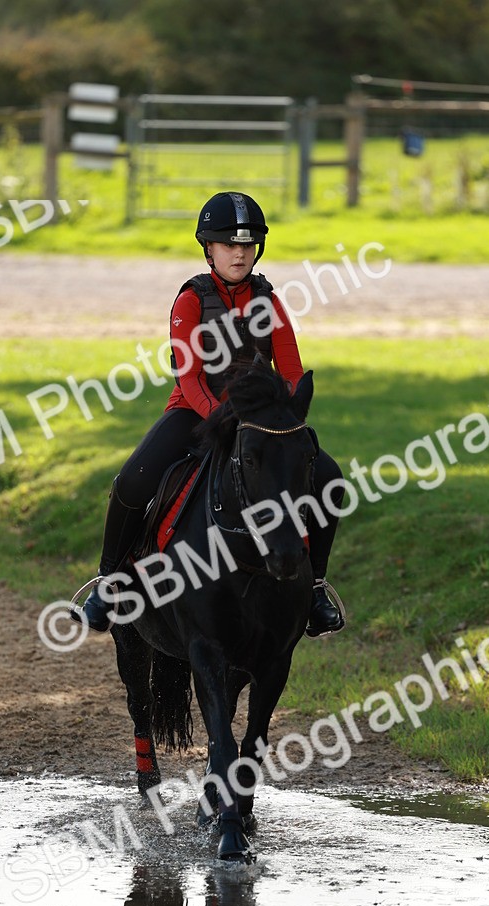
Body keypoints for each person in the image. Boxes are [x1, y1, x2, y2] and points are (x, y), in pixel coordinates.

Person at [72, 191, 345, 637]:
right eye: (228, 245)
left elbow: (292, 371)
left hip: (260, 424)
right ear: (209, 249)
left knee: (328, 478)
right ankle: (109, 581)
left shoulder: (270, 303)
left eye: (248, 245)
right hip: (194, 413)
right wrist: (225, 420)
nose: (240, 253)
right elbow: (190, 378)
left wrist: (290, 416)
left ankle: (313, 586)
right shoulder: (190, 301)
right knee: (133, 479)